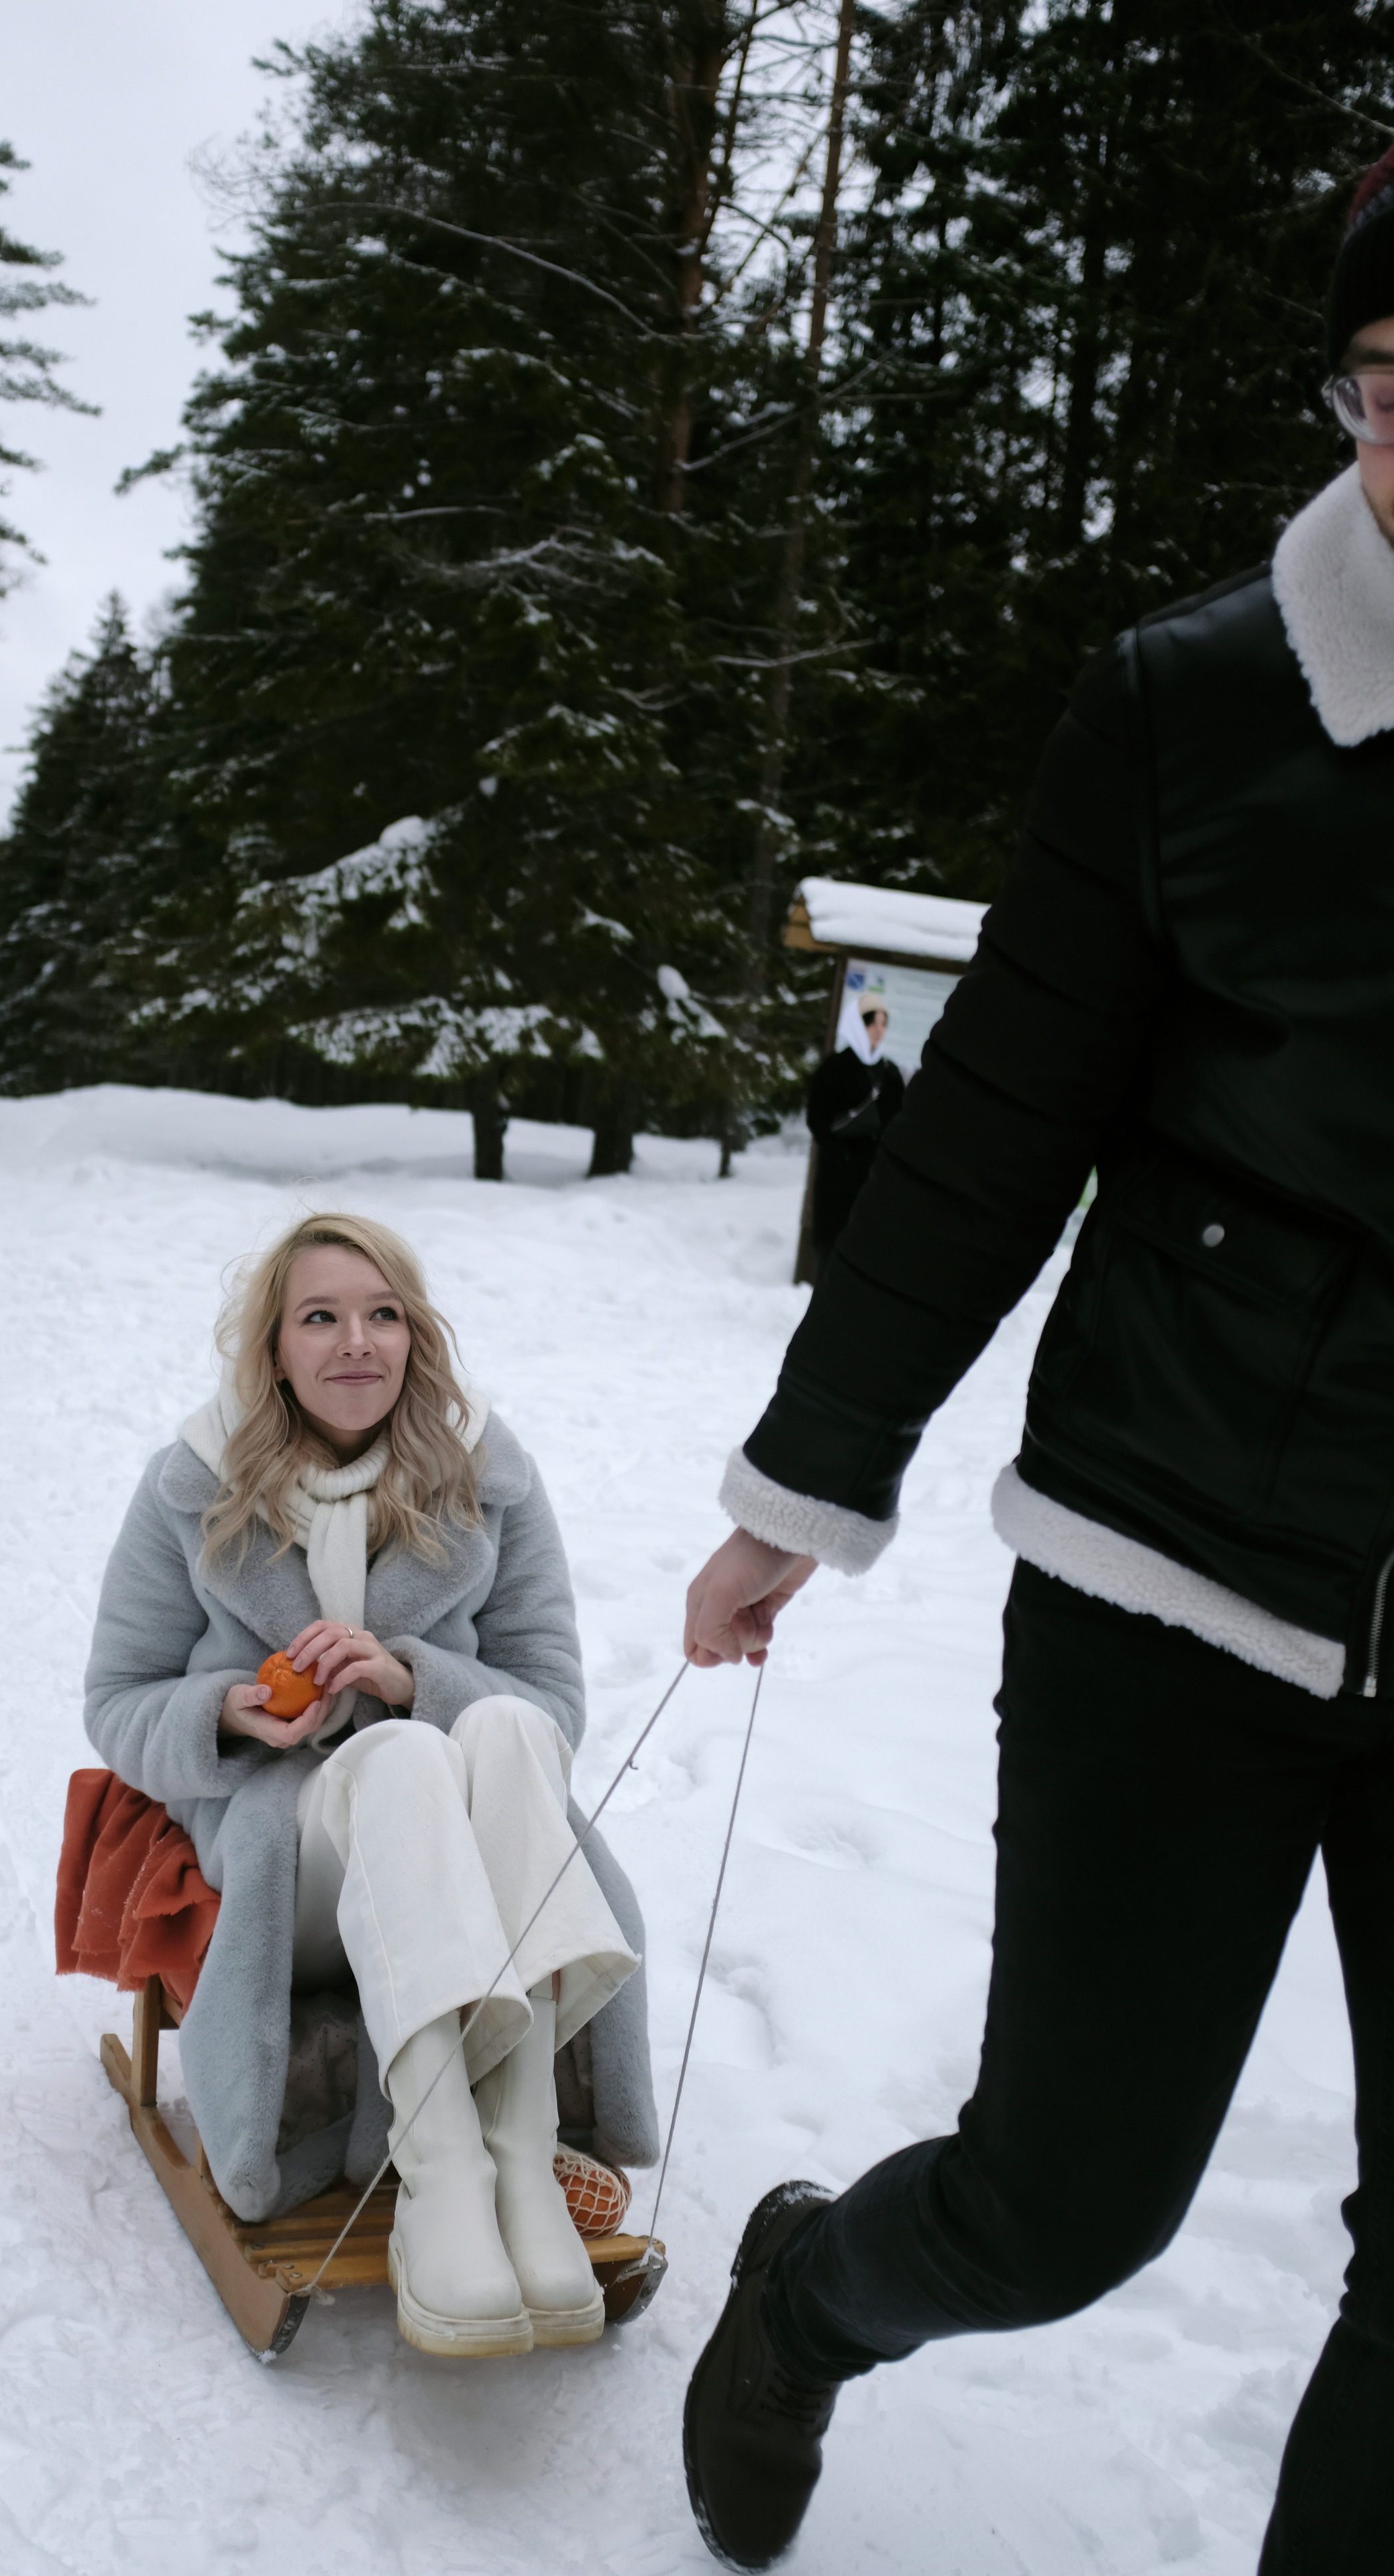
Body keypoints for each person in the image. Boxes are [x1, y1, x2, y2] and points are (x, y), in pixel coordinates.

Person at [679, 146, 1394, 2573]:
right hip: (1171, 1564)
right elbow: (988, 1129)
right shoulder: (1193, 707)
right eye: (1386, 380)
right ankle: (808, 2293)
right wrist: (804, 1482)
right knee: (1065, 2198)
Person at [83, 1212, 657, 2358]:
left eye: (382, 1314)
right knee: (400, 1758)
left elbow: (553, 1708)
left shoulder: (489, 1478)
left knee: (497, 1724)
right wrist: (228, 1710)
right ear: (275, 1350)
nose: (357, 1342)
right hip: (293, 1856)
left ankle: (518, 2163)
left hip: (467, 1851)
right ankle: (443, 2179)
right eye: (321, 1317)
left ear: (415, 1335)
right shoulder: (193, 1486)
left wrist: (409, 1678)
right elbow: (116, 1702)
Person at [802, 990, 906, 1275]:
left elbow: (899, 1122)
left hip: (874, 1179)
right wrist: (842, 1154)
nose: (879, 1030)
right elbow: (817, 1117)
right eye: (872, 1022)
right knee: (832, 1253)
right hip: (839, 1178)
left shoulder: (890, 1073)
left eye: (884, 1023)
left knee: (867, 1256)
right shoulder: (834, 1068)